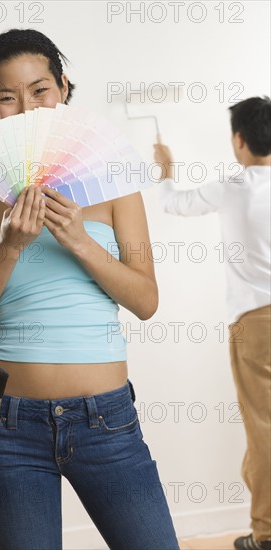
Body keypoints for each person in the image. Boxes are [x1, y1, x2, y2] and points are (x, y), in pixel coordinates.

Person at [0, 28, 180, 549]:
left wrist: (79, 240)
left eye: (39, 89)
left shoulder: (115, 180)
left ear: (64, 87)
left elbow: (145, 301)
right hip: (7, 426)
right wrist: (8, 247)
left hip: (107, 420)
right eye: (5, 96)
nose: (26, 107)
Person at [154, 96, 271, 550]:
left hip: (256, 325)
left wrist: (166, 168)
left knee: (262, 431)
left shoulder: (233, 187)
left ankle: (265, 535)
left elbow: (174, 204)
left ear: (239, 141)